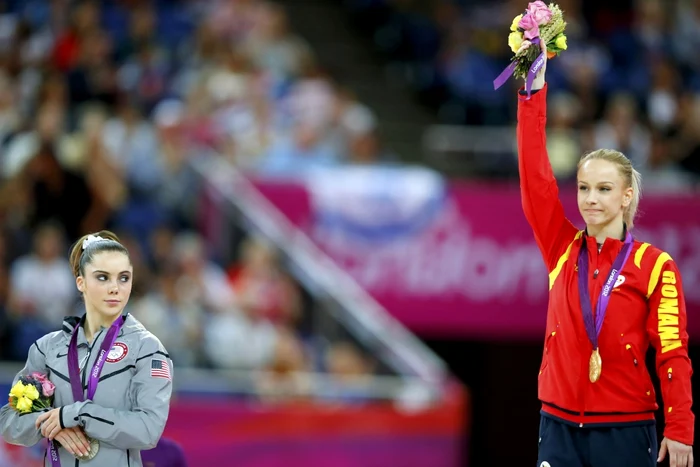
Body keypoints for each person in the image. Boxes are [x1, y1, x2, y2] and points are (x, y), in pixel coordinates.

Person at [518, 42, 694, 467]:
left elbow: (672, 350)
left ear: (626, 195)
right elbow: (534, 172)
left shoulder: (655, 266)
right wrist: (532, 86)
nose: (590, 199)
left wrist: (680, 428)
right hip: (557, 424)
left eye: (603, 189)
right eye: (583, 188)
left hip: (627, 427)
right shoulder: (561, 248)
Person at [0, 230, 173, 466]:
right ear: (81, 282)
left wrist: (76, 414)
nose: (115, 288)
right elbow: (9, 421)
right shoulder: (46, 348)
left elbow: (148, 430)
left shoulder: (147, 349)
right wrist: (51, 424)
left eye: (123, 277)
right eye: (103, 277)